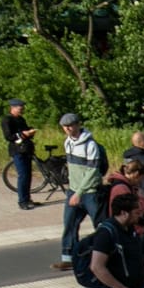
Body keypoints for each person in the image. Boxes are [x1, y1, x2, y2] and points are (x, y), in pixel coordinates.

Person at [54, 113, 106, 270]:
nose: (68, 129)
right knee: (69, 224)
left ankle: (105, 255)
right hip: (74, 190)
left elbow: (92, 171)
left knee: (101, 225)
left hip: (90, 192)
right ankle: (68, 257)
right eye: (64, 126)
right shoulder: (67, 142)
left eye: (70, 125)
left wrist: (79, 192)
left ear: (77, 125)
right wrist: (72, 188)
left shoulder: (90, 145)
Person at [3, 99, 38, 209]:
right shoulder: (7, 120)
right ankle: (22, 201)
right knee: (23, 176)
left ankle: (28, 199)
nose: (22, 110)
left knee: (28, 176)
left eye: (22, 108)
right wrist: (23, 134)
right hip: (17, 150)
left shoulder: (21, 119)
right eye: (20, 108)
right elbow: (8, 136)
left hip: (26, 149)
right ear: (12, 108)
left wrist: (30, 131)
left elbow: (25, 131)